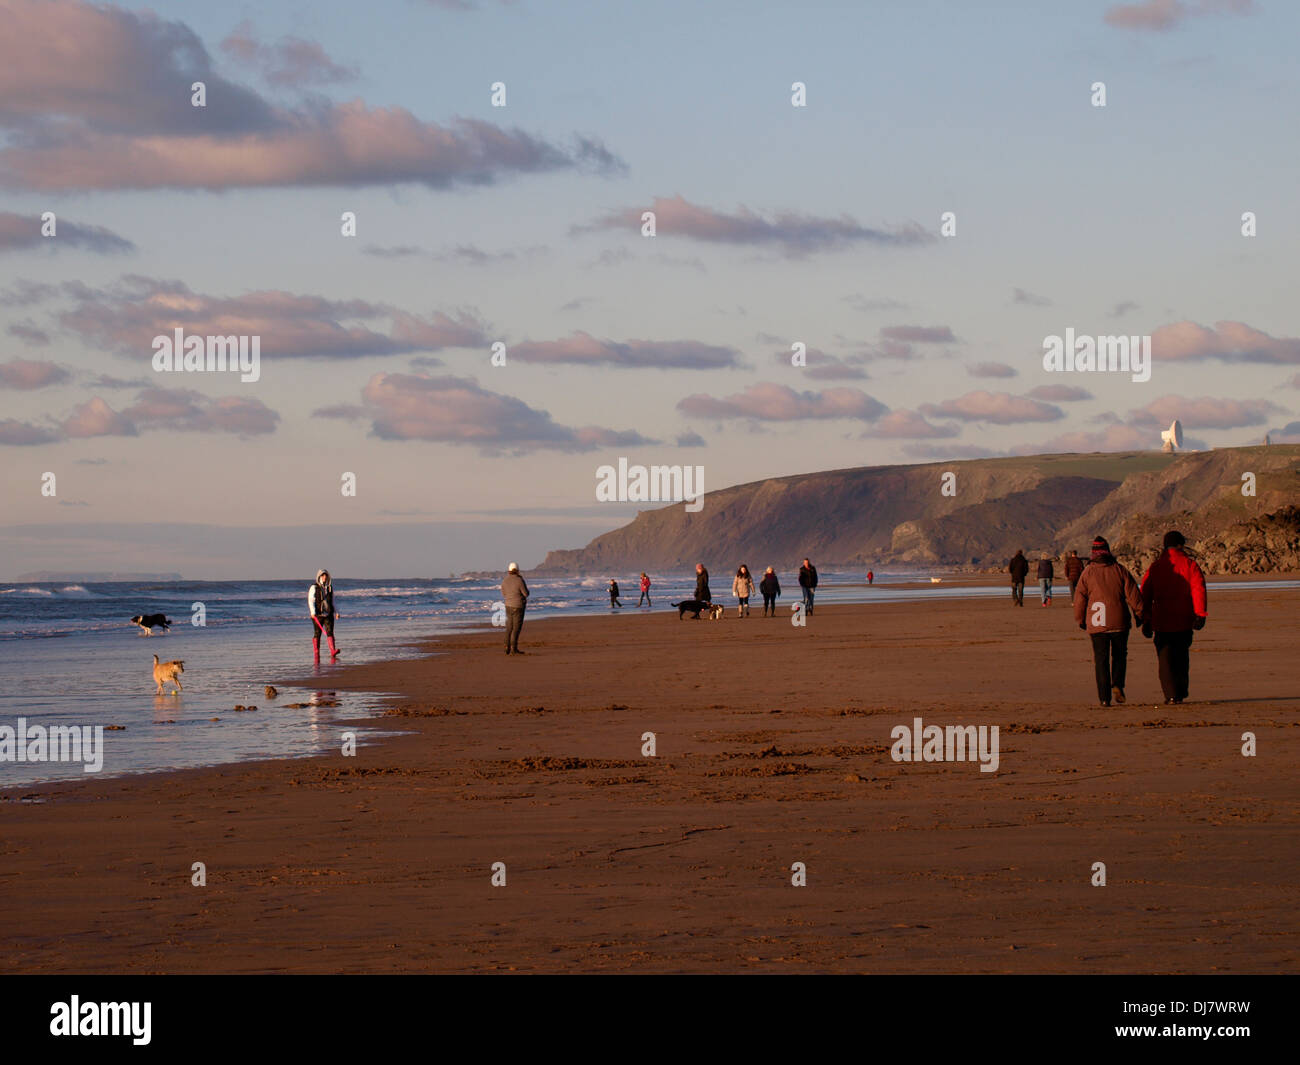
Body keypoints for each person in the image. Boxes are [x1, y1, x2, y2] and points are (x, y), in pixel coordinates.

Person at [1073, 536, 1143, 707]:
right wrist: (1140, 614)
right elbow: (1133, 594)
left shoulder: (1088, 572)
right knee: (1119, 655)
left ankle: (1104, 698)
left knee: (1101, 660)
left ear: (1093, 553)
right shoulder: (1119, 570)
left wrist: (1080, 619)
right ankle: (1117, 684)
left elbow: (1080, 597)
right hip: (1119, 620)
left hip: (1097, 623)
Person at [1140, 531, 1208, 705]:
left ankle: (1171, 694)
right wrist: (1200, 614)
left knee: (1165, 660)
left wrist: (1145, 618)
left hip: (1161, 620)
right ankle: (1181, 690)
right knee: (1181, 657)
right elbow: (1198, 590)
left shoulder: (1155, 567)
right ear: (1180, 545)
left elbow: (1145, 593)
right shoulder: (1190, 565)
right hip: (1184, 619)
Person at [309, 568, 340, 660]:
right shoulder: (314, 587)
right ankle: (316, 652)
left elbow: (333, 601)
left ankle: (332, 651)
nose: (324, 577)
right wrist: (313, 612)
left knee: (330, 632)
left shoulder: (330, 588)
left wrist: (337, 612)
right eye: (323, 575)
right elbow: (311, 600)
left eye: (326, 575)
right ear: (319, 576)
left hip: (328, 614)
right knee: (317, 633)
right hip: (318, 615)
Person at [502, 562, 529, 655]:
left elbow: (504, 593)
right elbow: (526, 593)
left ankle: (506, 647)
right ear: (517, 570)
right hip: (518, 606)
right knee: (516, 628)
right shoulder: (519, 580)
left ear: (509, 570)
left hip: (508, 606)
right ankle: (513, 648)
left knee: (509, 627)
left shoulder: (505, 580)